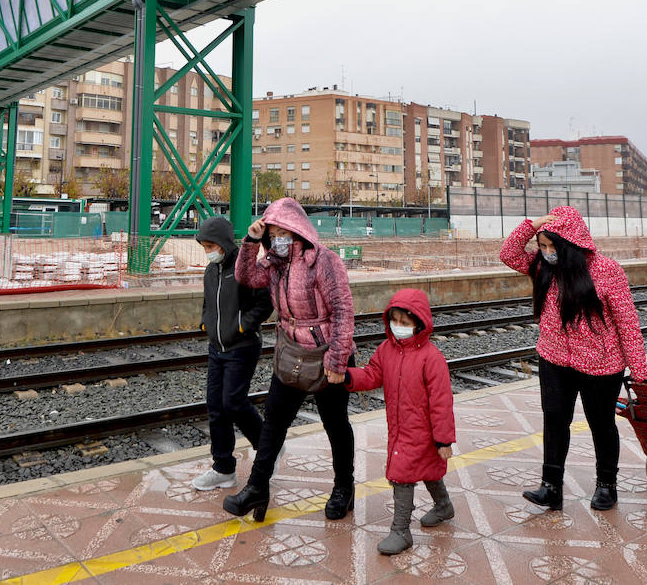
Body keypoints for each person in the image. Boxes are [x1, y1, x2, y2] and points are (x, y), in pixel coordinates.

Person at [500, 206, 647, 512]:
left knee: (601, 423)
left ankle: (607, 485)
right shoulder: (543, 269)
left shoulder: (608, 271)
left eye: (552, 247)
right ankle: (550, 488)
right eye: (542, 247)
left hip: (601, 365)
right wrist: (532, 225)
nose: (546, 253)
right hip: (554, 360)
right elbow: (509, 254)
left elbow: (628, 324)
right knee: (554, 420)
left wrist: (640, 373)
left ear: (571, 244)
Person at [223, 197, 356, 522]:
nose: (277, 237)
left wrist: (338, 363)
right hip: (290, 354)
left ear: (297, 230)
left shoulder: (324, 261)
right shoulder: (273, 264)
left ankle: (344, 488)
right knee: (273, 425)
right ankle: (257, 488)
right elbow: (245, 276)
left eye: (282, 231)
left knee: (335, 424)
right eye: (272, 232)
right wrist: (251, 242)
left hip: (326, 355)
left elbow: (343, 310)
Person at [346, 288, 456, 555]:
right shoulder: (387, 350)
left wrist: (443, 439)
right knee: (428, 470)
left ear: (419, 324)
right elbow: (372, 374)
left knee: (402, 476)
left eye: (405, 323)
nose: (398, 327)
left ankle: (401, 531)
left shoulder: (432, 358)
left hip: (425, 431)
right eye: (394, 320)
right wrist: (349, 377)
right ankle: (443, 506)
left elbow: (442, 401)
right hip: (399, 427)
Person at [191, 216, 273, 491]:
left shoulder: (244, 266)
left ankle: (267, 447)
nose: (208, 251)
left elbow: (264, 303)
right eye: (204, 246)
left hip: (242, 346)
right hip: (217, 348)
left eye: (211, 245)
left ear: (224, 242)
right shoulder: (211, 271)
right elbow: (207, 301)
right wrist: (205, 321)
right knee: (216, 408)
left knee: (233, 402)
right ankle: (223, 468)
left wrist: (242, 326)